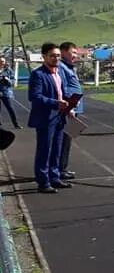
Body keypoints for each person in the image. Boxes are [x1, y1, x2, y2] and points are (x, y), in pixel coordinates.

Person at [28, 43, 70, 193]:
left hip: (59, 117)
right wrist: (55, 103)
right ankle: (43, 182)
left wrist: (68, 106)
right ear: (44, 57)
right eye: (52, 56)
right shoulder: (38, 74)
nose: (56, 58)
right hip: (45, 118)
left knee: (57, 149)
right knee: (45, 150)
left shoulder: (59, 73)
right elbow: (34, 97)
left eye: (58, 55)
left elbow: (62, 92)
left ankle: (55, 177)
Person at [57, 42, 83, 180]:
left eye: (76, 53)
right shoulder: (61, 67)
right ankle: (59, 169)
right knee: (63, 140)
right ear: (63, 52)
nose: (75, 55)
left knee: (68, 140)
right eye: (73, 52)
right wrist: (69, 106)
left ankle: (63, 167)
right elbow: (63, 88)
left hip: (74, 107)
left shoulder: (70, 68)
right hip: (69, 108)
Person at [0, 57, 21, 128]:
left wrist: (7, 79)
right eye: (0, 61)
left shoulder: (8, 70)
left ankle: (16, 124)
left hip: (6, 92)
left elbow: (13, 82)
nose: (1, 63)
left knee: (11, 108)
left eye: (2, 61)